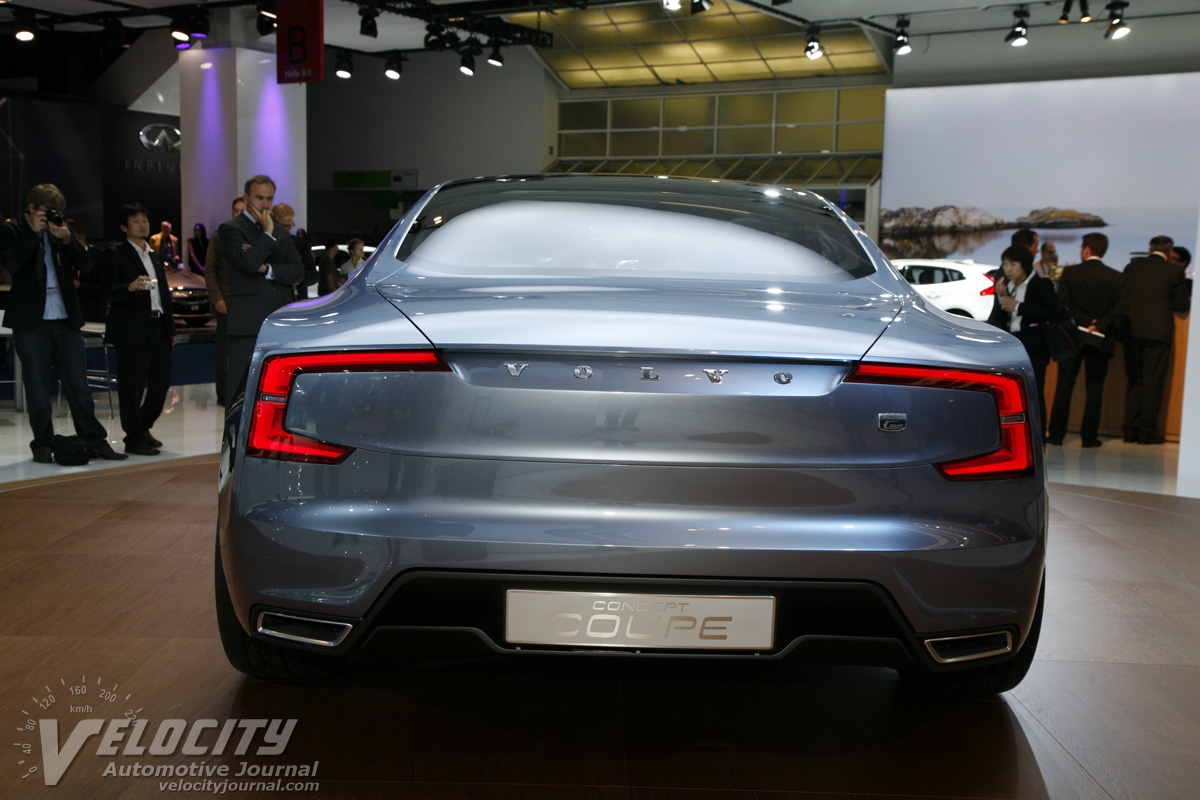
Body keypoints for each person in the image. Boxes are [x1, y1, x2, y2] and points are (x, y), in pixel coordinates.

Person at [0, 183, 126, 463]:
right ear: (32, 208)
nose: (52, 218)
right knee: (37, 387)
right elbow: (11, 265)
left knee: (78, 385)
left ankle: (95, 441)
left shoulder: (62, 231)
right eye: (47, 212)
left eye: (57, 213)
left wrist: (69, 240)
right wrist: (32, 234)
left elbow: (87, 265)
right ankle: (42, 444)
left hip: (66, 319)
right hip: (31, 322)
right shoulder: (13, 230)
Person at [218, 174, 304, 404]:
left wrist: (267, 268)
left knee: (279, 388)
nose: (265, 204)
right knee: (241, 389)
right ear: (247, 198)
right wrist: (266, 233)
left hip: (279, 318)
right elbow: (248, 263)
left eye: (269, 198)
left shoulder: (281, 232)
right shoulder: (231, 229)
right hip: (246, 321)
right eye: (259, 198)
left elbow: (298, 271)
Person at [104, 202, 175, 456]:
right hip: (130, 328)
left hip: (157, 325)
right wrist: (129, 288)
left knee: (162, 381)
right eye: (136, 221)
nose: (142, 225)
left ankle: (142, 426)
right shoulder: (116, 254)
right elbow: (106, 290)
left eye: (144, 220)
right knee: (131, 386)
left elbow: (163, 294)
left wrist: (170, 328)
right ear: (124, 227)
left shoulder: (153, 255)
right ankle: (134, 438)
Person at [1046, 233, 1124, 447]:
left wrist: (1083, 321)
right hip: (1101, 339)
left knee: (1064, 385)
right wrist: (1098, 324)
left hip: (1072, 337)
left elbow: (1063, 304)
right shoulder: (1116, 277)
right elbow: (1120, 307)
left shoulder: (1071, 273)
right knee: (1095, 387)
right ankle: (1089, 437)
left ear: (1087, 249)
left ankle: (1056, 435)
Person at [987, 244, 1065, 442]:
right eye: (1005, 264)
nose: (1008, 269)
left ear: (1025, 265)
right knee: (1013, 395)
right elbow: (1000, 318)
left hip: (1035, 348)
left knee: (1034, 393)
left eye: (1013, 264)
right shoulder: (1007, 285)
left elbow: (1053, 313)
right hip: (1012, 347)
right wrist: (1002, 297)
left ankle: (1038, 440)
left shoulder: (1041, 284)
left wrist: (1019, 306)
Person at [1121, 235, 1191, 444]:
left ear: (1150, 249)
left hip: (1131, 330)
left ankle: (1129, 430)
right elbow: (1182, 306)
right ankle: (1146, 432)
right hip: (1158, 333)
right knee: (1153, 382)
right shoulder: (1174, 271)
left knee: (1134, 380)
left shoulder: (1131, 268)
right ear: (1169, 252)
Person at [205, 197, 246, 406]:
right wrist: (217, 298)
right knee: (224, 353)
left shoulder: (253, 237)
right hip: (226, 302)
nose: (239, 214)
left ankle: (243, 392)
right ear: (231, 213)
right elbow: (210, 270)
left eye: (243, 211)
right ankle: (224, 394)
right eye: (236, 211)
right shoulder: (219, 236)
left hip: (247, 302)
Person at [269, 204, 318, 300]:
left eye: (290, 225)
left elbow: (314, 275)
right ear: (273, 222)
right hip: (271, 297)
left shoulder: (301, 244)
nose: (287, 229)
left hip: (296, 297)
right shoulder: (264, 242)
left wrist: (299, 279)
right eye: (284, 226)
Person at [66, 218, 109, 323]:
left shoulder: (99, 257)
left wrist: (79, 285)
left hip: (93, 315)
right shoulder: (62, 257)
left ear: (83, 238)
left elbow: (105, 289)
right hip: (68, 315)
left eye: (72, 239)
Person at [292, 226, 318, 299]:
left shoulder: (305, 245)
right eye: (298, 233)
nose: (300, 235)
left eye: (301, 234)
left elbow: (312, 271)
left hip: (300, 287)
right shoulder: (293, 243)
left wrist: (299, 279)